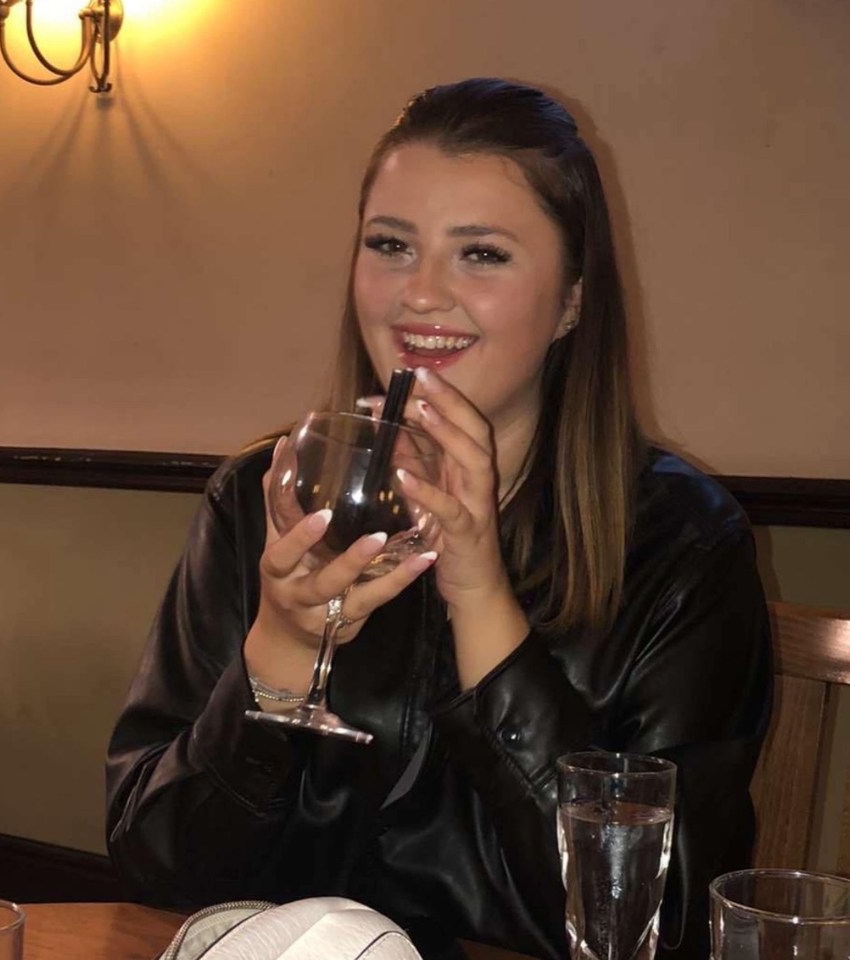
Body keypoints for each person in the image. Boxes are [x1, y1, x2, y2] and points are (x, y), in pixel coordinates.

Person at [106, 78, 772, 960]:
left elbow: (662, 923)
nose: (419, 295)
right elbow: (157, 870)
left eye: (482, 255)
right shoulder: (262, 498)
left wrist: (484, 601)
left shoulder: (682, 540)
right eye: (390, 245)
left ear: (573, 298)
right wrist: (277, 652)